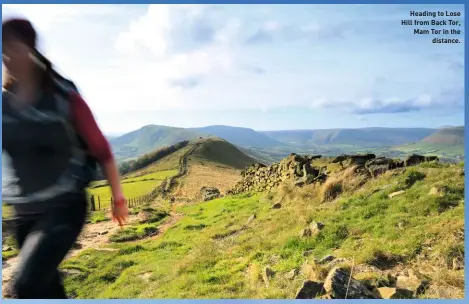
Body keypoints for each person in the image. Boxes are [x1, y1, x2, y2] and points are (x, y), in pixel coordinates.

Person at [2, 18, 129, 299]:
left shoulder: (63, 97)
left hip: (63, 207)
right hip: (22, 214)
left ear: (31, 49)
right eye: (3, 50)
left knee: (24, 287)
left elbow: (102, 150)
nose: (8, 57)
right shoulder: (5, 105)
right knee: (46, 291)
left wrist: (118, 199)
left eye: (14, 48)